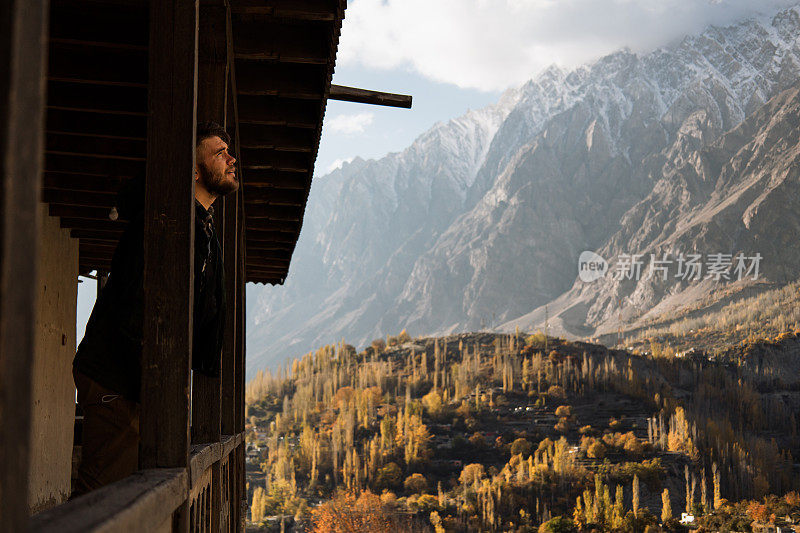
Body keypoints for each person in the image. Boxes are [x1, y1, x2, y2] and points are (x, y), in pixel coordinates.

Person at [71, 121, 238, 495]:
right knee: (100, 498)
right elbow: (139, 309)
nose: (231, 159)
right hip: (120, 380)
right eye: (219, 153)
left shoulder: (198, 226)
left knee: (116, 497)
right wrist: (151, 390)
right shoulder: (167, 225)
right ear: (195, 170)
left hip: (133, 381)